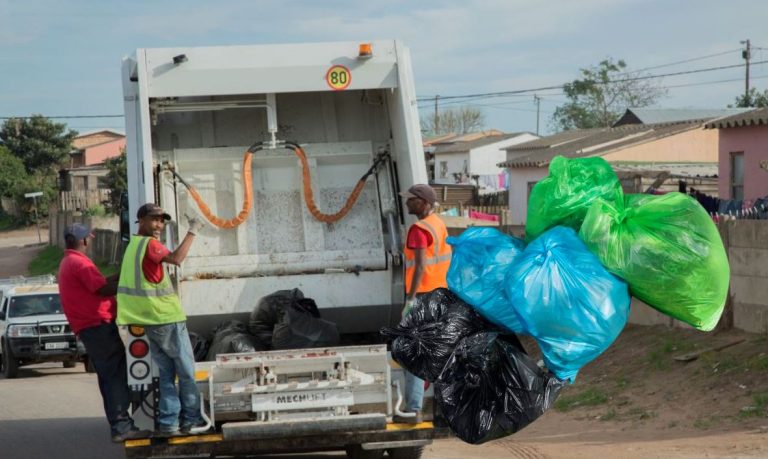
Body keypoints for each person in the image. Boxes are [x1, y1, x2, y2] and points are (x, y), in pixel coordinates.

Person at [116, 203, 206, 437]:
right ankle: (192, 421)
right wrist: (193, 230)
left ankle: (169, 424)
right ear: (141, 220)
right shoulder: (150, 244)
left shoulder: (132, 246)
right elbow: (176, 259)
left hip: (149, 322)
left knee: (166, 374)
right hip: (166, 319)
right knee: (186, 371)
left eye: (162, 221)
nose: (159, 225)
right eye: (154, 220)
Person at [57, 223, 151, 443]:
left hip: (92, 328)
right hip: (97, 327)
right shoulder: (79, 263)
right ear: (84, 241)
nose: (91, 241)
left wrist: (123, 274)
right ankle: (122, 427)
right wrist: (131, 283)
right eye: (89, 238)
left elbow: (99, 284)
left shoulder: (70, 261)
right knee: (114, 377)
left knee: (112, 376)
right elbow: (102, 289)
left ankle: (122, 423)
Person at [396, 184, 451, 423]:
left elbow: (419, 266)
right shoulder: (438, 223)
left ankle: (413, 409)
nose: (407, 202)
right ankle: (443, 415)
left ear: (424, 203)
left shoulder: (418, 229)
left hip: (423, 298)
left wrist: (410, 299)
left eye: (411, 199)